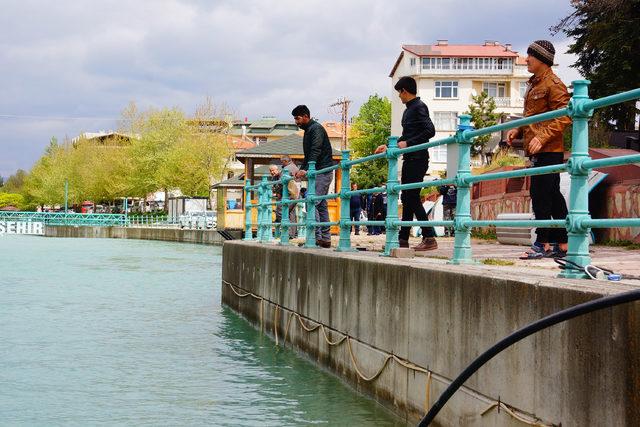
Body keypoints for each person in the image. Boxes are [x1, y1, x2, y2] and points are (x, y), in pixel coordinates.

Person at [506, 40, 571, 259]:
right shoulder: (534, 83)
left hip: (549, 149)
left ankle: (542, 243)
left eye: (530, 56)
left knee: (542, 195)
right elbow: (533, 117)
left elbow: (565, 114)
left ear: (542, 59)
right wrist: (519, 129)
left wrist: (542, 137)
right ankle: (562, 244)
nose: (526, 60)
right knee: (549, 195)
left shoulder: (553, 83)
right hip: (537, 149)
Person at [375, 76, 437, 250]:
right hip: (411, 158)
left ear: (404, 91)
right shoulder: (409, 109)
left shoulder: (419, 106)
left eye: (399, 93)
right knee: (407, 198)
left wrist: (407, 144)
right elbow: (407, 136)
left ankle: (429, 237)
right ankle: (403, 239)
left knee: (411, 197)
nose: (399, 97)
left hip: (418, 158)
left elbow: (429, 131)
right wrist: (390, 146)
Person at [292, 105, 334, 248]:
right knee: (320, 205)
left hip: (322, 170)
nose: (296, 122)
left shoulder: (316, 129)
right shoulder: (309, 130)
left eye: (297, 118)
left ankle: (315, 237)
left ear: (305, 116)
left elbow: (315, 150)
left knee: (311, 202)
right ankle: (325, 239)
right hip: (318, 170)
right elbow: (308, 155)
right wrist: (302, 170)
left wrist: (306, 169)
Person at [269, 165, 298, 238]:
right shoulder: (274, 178)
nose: (272, 172)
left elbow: (282, 185)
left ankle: (288, 232)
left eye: (273, 170)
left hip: (290, 196)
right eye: (270, 171)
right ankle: (293, 234)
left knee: (281, 212)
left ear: (277, 169)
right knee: (291, 214)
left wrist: (278, 193)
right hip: (291, 196)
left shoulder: (282, 175)